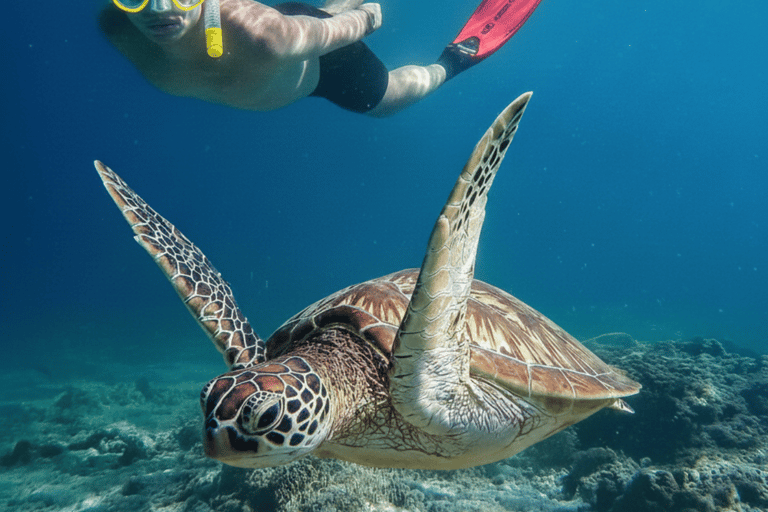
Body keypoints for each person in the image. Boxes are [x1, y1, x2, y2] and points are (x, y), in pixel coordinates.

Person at [99, 0, 542, 117]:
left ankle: (453, 61)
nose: (158, 9)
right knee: (321, 17)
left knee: (385, 99)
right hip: (290, 40)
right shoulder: (116, 24)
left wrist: (367, 18)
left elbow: (331, 30)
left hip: (316, 61)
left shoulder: (264, 37)